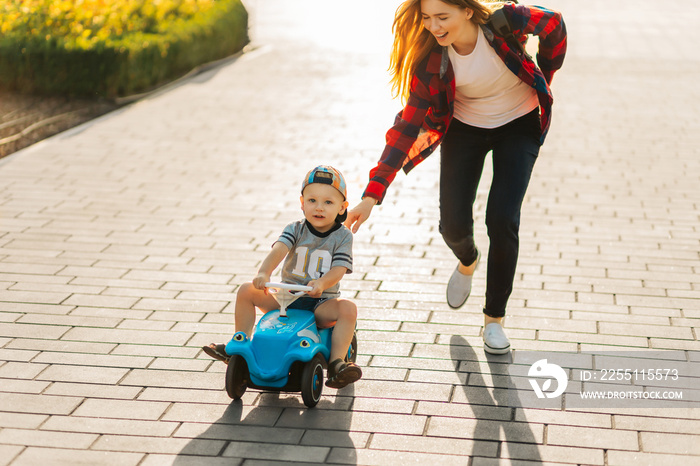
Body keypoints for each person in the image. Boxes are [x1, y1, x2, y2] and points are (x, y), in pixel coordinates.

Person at [344, 0, 566, 354]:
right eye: (427, 18)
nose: (434, 26)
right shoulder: (432, 62)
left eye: (442, 17)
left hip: (519, 125)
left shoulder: (504, 22)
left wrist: (545, 72)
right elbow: (405, 129)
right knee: (452, 227)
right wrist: (371, 195)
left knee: (503, 219)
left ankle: (494, 320)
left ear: (466, 10)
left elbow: (553, 24)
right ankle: (468, 260)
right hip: (465, 129)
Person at [204, 165, 362, 389]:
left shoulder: (343, 236)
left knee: (348, 308)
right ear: (302, 203)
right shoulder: (295, 229)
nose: (319, 207)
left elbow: (339, 269)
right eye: (312, 200)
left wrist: (322, 283)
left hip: (320, 303)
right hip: (287, 299)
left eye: (328, 202)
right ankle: (239, 342)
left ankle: (337, 363)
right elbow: (279, 250)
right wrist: (263, 272)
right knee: (246, 290)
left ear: (341, 208)